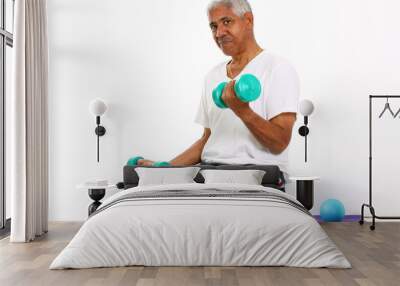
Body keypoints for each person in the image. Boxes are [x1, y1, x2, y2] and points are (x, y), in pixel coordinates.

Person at [139, 0, 299, 178]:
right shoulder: (212, 76)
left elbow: (279, 142)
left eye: (227, 22)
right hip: (210, 174)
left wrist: (243, 111)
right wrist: (165, 169)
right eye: (213, 26)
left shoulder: (277, 68)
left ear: (248, 20)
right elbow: (207, 140)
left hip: (258, 176)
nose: (219, 33)